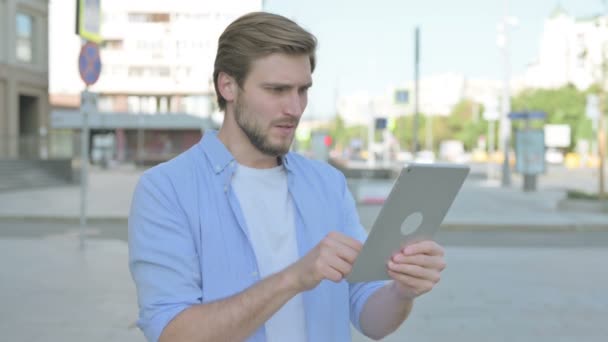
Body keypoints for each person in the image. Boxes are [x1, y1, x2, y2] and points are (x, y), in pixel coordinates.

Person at [129, 11, 446, 342]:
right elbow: (172, 334)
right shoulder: (165, 190)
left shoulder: (328, 184)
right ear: (228, 86)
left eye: (302, 90)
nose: (295, 108)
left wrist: (402, 291)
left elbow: (371, 319)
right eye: (277, 90)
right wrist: (294, 277)